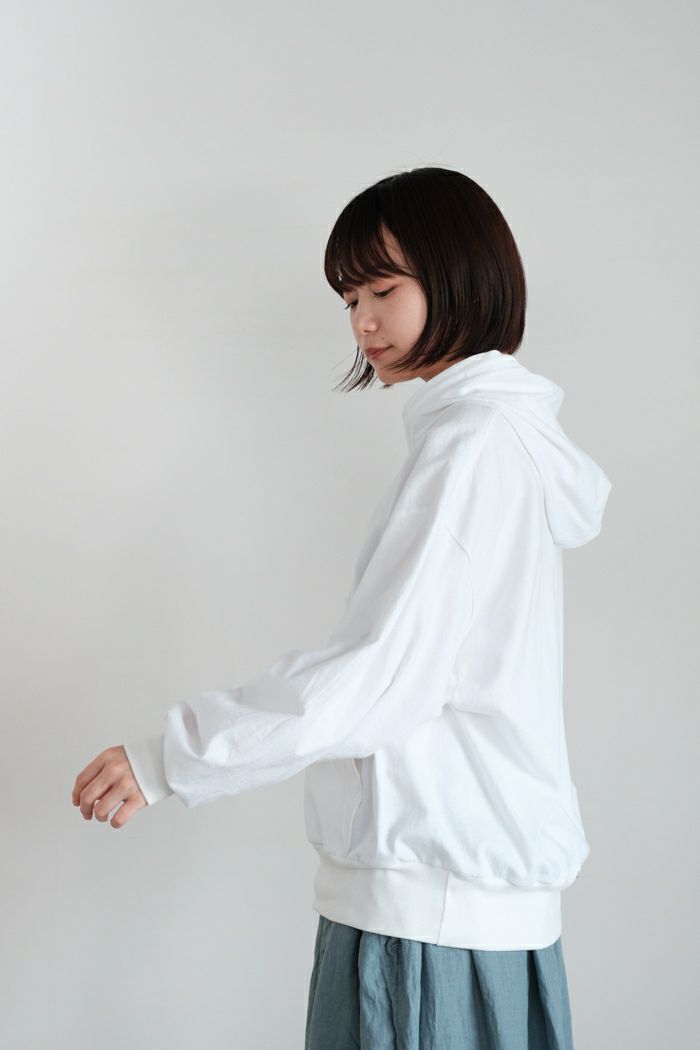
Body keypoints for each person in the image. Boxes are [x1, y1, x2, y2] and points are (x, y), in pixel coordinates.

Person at [72, 167, 612, 1049]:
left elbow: (379, 677)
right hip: (470, 913)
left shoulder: (473, 448)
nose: (361, 322)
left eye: (382, 290)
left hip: (426, 917)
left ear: (460, 273)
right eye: (350, 297)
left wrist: (174, 757)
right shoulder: (492, 440)